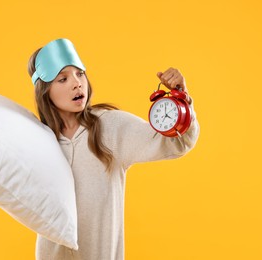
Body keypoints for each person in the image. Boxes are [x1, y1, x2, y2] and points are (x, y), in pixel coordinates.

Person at [27, 38, 200, 260]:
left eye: (80, 74)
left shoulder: (109, 127)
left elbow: (177, 143)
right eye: (63, 79)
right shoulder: (38, 140)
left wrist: (182, 99)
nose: (77, 83)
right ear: (44, 91)